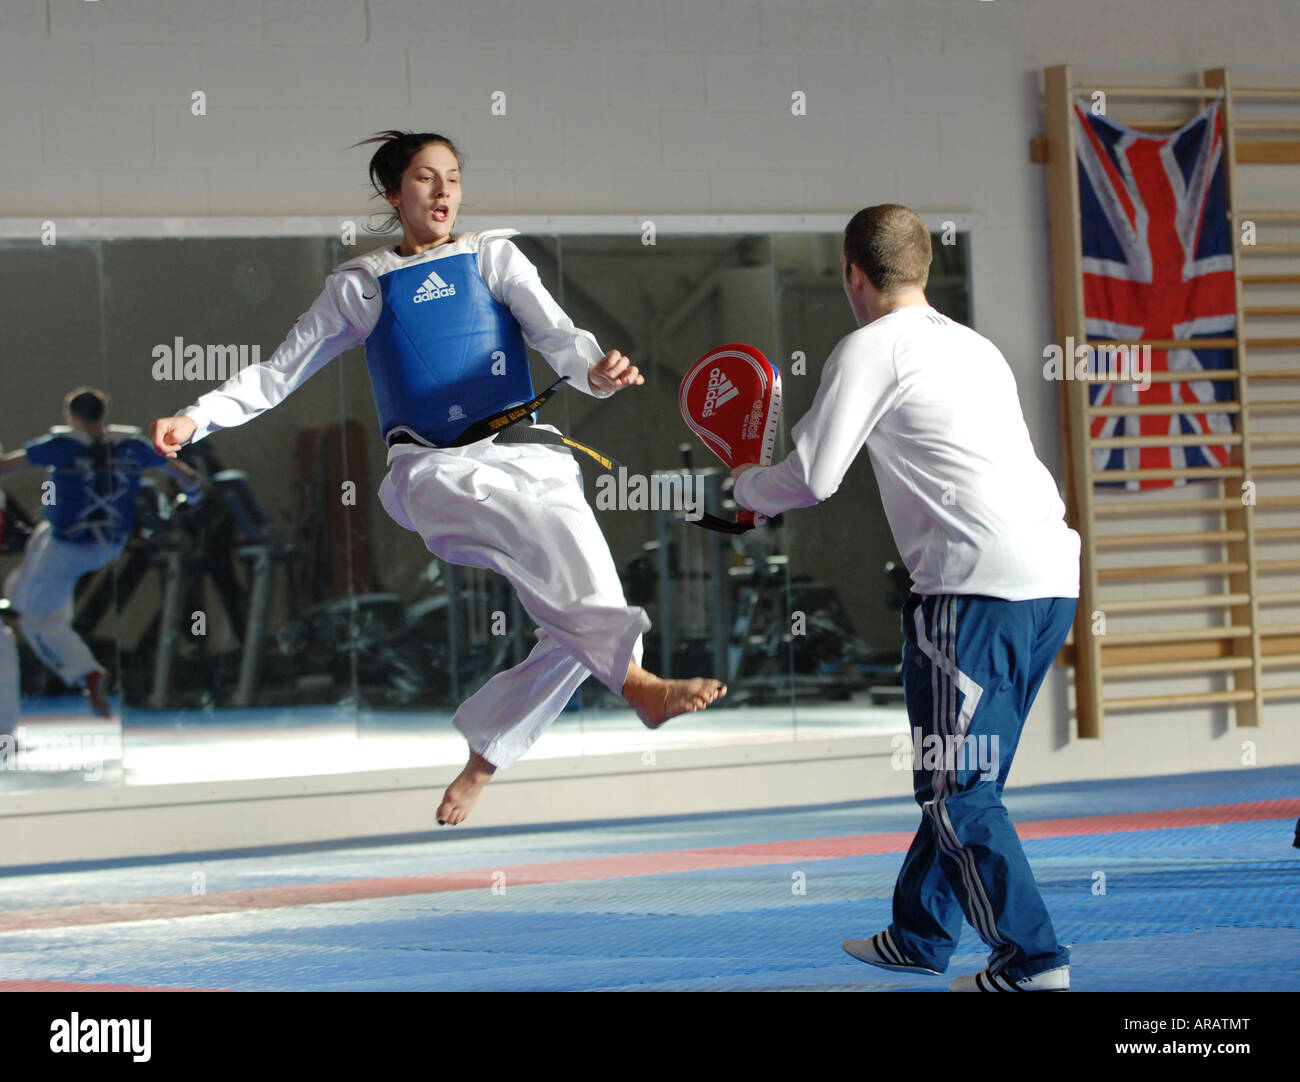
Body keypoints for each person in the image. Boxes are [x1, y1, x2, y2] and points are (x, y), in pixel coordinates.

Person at [149, 130, 726, 826]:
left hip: (530, 456)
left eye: (452, 176)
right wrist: (196, 417)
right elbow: (280, 371)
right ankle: (634, 683)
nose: (444, 191)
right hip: (435, 471)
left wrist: (595, 370)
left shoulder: (493, 256)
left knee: (593, 611)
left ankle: (495, 753)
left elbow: (557, 335)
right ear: (394, 193)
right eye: (425, 178)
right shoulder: (361, 285)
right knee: (581, 603)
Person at [732, 205, 1081, 992]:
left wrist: (745, 488)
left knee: (957, 786)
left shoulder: (869, 348)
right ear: (921, 268)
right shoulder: (975, 347)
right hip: (1050, 580)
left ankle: (1032, 963)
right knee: (966, 776)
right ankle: (922, 934)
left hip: (973, 586)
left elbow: (814, 477)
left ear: (854, 275)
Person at [0, 388, 202, 739]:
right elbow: (185, 473)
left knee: (36, 620)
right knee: (37, 546)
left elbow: (7, 467)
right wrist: (192, 497)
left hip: (67, 548)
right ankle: (16, 604)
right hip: (108, 544)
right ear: (103, 413)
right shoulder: (133, 446)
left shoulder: (62, 447)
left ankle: (87, 672)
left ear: (72, 416)